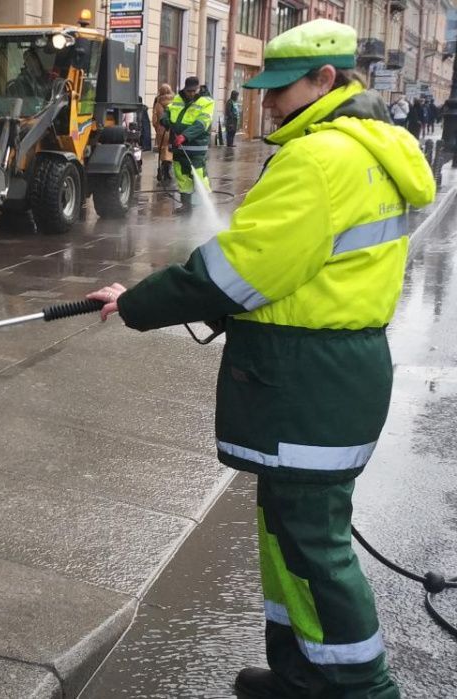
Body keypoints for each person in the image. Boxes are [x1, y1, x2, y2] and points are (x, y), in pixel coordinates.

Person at [87, 19, 433, 699]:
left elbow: (238, 270)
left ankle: (362, 688)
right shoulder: (369, 149)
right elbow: (298, 272)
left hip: (309, 379)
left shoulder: (319, 159)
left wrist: (137, 303)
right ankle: (305, 675)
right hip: (331, 370)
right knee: (288, 536)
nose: (267, 103)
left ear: (326, 79)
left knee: (311, 546)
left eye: (279, 89)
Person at [161, 76, 214, 214]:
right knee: (182, 176)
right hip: (178, 147)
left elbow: (201, 124)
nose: (190, 93)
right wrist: (164, 118)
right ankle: (186, 206)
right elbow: (169, 110)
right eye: (188, 91)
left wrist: (185, 136)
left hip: (196, 147)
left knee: (199, 176)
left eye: (193, 91)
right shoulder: (178, 99)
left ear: (198, 89)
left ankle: (204, 207)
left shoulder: (206, 102)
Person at [152, 83, 175, 185]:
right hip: (172, 130)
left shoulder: (158, 103)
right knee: (170, 149)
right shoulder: (174, 102)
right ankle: (168, 169)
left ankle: (163, 168)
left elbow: (154, 120)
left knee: (163, 149)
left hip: (161, 131)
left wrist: (157, 128)